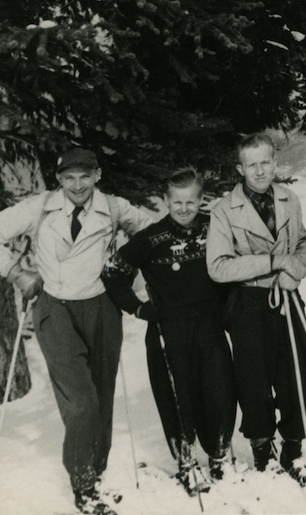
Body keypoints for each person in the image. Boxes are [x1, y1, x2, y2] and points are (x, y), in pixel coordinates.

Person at [0, 147, 153, 515]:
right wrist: (16, 272)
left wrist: (126, 264)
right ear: (58, 179)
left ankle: (96, 474)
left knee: (100, 397)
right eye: (69, 177)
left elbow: (152, 231)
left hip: (101, 307)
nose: (78, 185)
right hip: (55, 308)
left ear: (97, 175)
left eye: (85, 176)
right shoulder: (40, 207)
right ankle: (83, 486)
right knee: (82, 402)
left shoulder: (113, 207)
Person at [101, 167, 236, 494]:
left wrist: (229, 304)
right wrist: (139, 307)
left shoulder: (214, 225)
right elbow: (113, 272)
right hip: (169, 327)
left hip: (209, 321)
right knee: (179, 396)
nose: (184, 208)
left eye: (191, 201)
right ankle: (187, 463)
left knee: (220, 389)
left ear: (201, 199)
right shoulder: (151, 237)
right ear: (166, 200)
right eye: (177, 202)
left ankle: (219, 457)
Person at [205, 133, 306, 485]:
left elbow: (301, 243)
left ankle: (292, 447)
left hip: (286, 298)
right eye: (251, 165)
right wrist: (275, 261)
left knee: (304, 380)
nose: (259, 171)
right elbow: (219, 266)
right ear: (240, 168)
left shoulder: (289, 198)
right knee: (254, 382)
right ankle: (262, 450)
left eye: (265, 162)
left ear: (275, 162)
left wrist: (296, 270)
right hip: (248, 302)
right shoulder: (224, 210)